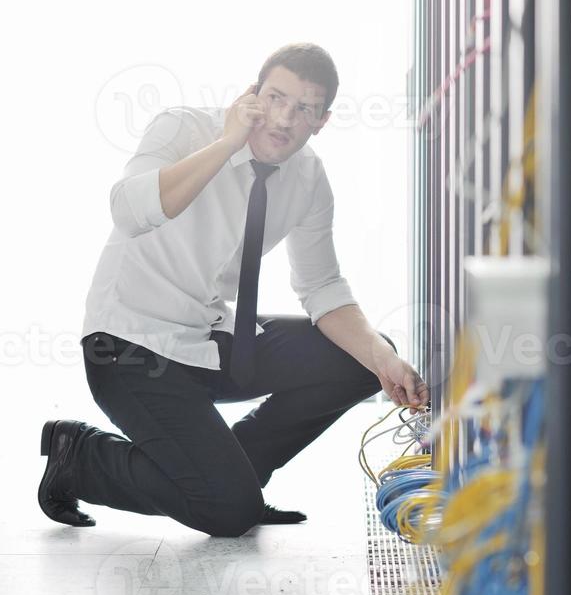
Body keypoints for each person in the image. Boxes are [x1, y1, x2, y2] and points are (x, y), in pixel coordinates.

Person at [38, 43, 430, 537]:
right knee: (229, 514)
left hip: (210, 340)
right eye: (275, 98)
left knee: (365, 358)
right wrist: (227, 144)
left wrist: (381, 358)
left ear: (322, 120)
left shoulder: (308, 177)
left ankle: (234, 476)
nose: (284, 119)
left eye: (304, 108)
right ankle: (82, 458)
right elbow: (129, 211)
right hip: (131, 348)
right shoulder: (184, 128)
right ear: (253, 93)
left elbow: (322, 286)